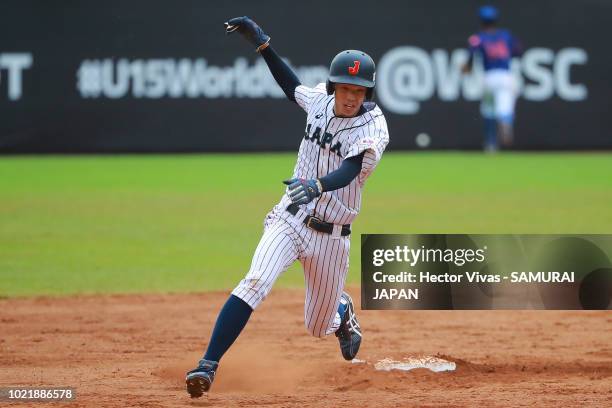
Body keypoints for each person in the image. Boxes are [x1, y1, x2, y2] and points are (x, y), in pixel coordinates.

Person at [184, 16, 390, 398]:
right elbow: (290, 85)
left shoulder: (373, 126)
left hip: (333, 235)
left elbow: (349, 169)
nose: (351, 97)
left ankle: (341, 313)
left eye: (359, 91)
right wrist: (263, 46)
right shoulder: (319, 102)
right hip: (290, 219)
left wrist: (317, 185)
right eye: (345, 88)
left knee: (317, 326)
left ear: (368, 94)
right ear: (333, 87)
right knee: (256, 280)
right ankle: (207, 365)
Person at [462, 5, 523, 152]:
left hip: (489, 77)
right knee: (505, 106)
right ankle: (506, 121)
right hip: (505, 75)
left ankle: (490, 143)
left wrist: (466, 69)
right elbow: (518, 51)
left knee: (489, 110)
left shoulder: (478, 38)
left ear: (481, 21)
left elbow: (471, 58)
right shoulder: (506, 35)